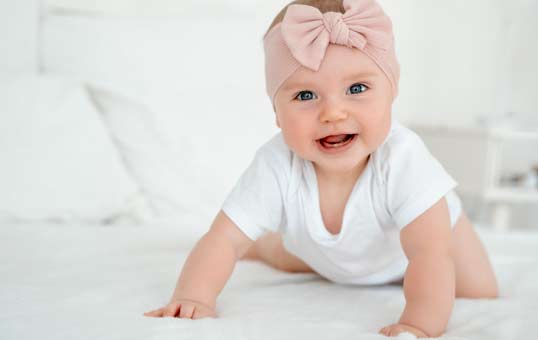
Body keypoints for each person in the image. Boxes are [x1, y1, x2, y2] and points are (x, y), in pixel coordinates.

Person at [144, 0, 498, 337]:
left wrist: (418, 324)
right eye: (305, 96)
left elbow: (429, 254)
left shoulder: (403, 158)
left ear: (392, 92)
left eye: (356, 88)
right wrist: (194, 297)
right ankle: (266, 247)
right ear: (276, 114)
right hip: (327, 254)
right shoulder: (276, 162)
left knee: (478, 290)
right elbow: (221, 239)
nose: (333, 113)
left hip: (424, 245)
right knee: (281, 253)